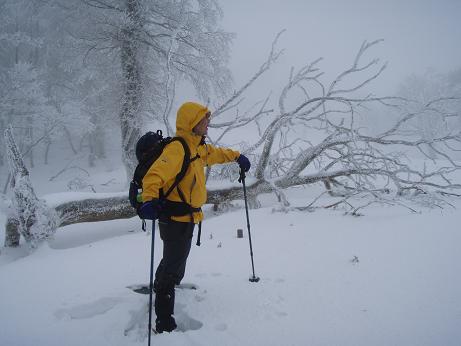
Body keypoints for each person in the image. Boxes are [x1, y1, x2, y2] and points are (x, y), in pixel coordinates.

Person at [138, 101, 251, 333]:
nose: (208, 123)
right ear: (192, 123)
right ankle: (164, 320)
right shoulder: (178, 149)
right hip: (175, 219)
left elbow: (217, 154)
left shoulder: (198, 147)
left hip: (187, 219)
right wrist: (148, 200)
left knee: (175, 261)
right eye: (203, 119)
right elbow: (154, 176)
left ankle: (162, 284)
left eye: (207, 119)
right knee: (173, 267)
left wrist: (237, 156)